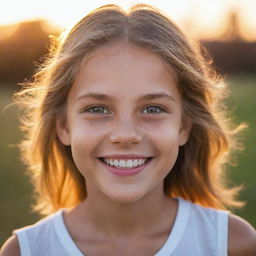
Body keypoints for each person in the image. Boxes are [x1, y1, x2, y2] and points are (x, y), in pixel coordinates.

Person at [1, 4, 255, 256]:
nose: (125, 135)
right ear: (64, 126)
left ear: (183, 126)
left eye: (153, 109)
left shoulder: (231, 244)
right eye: (98, 109)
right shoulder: (27, 251)